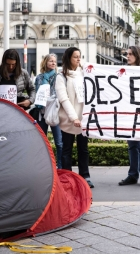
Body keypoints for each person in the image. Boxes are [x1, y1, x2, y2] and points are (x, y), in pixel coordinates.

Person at [56, 47, 93, 188]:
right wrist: (73, 118)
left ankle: (85, 176)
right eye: (75, 57)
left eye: (80, 56)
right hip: (68, 120)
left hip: (83, 118)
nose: (78, 59)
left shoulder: (83, 74)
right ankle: (67, 178)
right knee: (67, 150)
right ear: (68, 58)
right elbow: (63, 99)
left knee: (83, 149)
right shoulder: (61, 77)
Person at [119, 46, 140, 187]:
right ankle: (133, 175)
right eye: (127, 54)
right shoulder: (124, 72)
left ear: (138, 55)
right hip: (129, 112)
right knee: (132, 145)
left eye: (131, 54)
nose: (128, 56)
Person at [33, 54, 63, 169]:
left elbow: (58, 93)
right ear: (45, 62)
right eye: (51, 61)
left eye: (55, 61)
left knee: (59, 142)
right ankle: (46, 166)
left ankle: (60, 167)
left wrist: (49, 99)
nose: (53, 63)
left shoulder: (58, 76)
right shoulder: (40, 77)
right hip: (42, 111)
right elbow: (38, 92)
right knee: (43, 142)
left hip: (54, 111)